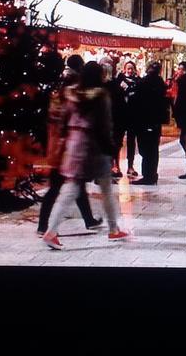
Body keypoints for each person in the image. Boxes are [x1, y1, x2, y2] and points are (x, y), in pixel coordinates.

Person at [40, 61, 128, 249]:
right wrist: (110, 147)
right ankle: (113, 229)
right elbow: (104, 124)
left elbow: (63, 121)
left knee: (70, 188)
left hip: (75, 144)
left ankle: (51, 230)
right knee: (105, 189)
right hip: (95, 146)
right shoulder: (101, 96)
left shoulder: (70, 94)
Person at [37, 55, 102, 235]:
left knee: (76, 184)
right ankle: (44, 226)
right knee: (58, 186)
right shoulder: (71, 88)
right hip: (65, 145)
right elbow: (66, 118)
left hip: (61, 142)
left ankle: (88, 219)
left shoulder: (60, 86)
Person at [131, 61, 170, 185]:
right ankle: (152, 174)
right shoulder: (161, 84)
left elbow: (135, 101)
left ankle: (148, 176)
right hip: (155, 122)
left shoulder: (142, 83)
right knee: (153, 149)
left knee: (146, 149)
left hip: (143, 121)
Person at [113, 60, 140, 178]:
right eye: (128, 68)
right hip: (121, 115)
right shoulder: (119, 80)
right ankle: (116, 165)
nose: (130, 70)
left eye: (131, 68)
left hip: (133, 115)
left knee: (131, 142)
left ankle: (130, 166)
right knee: (118, 140)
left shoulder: (138, 81)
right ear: (124, 69)